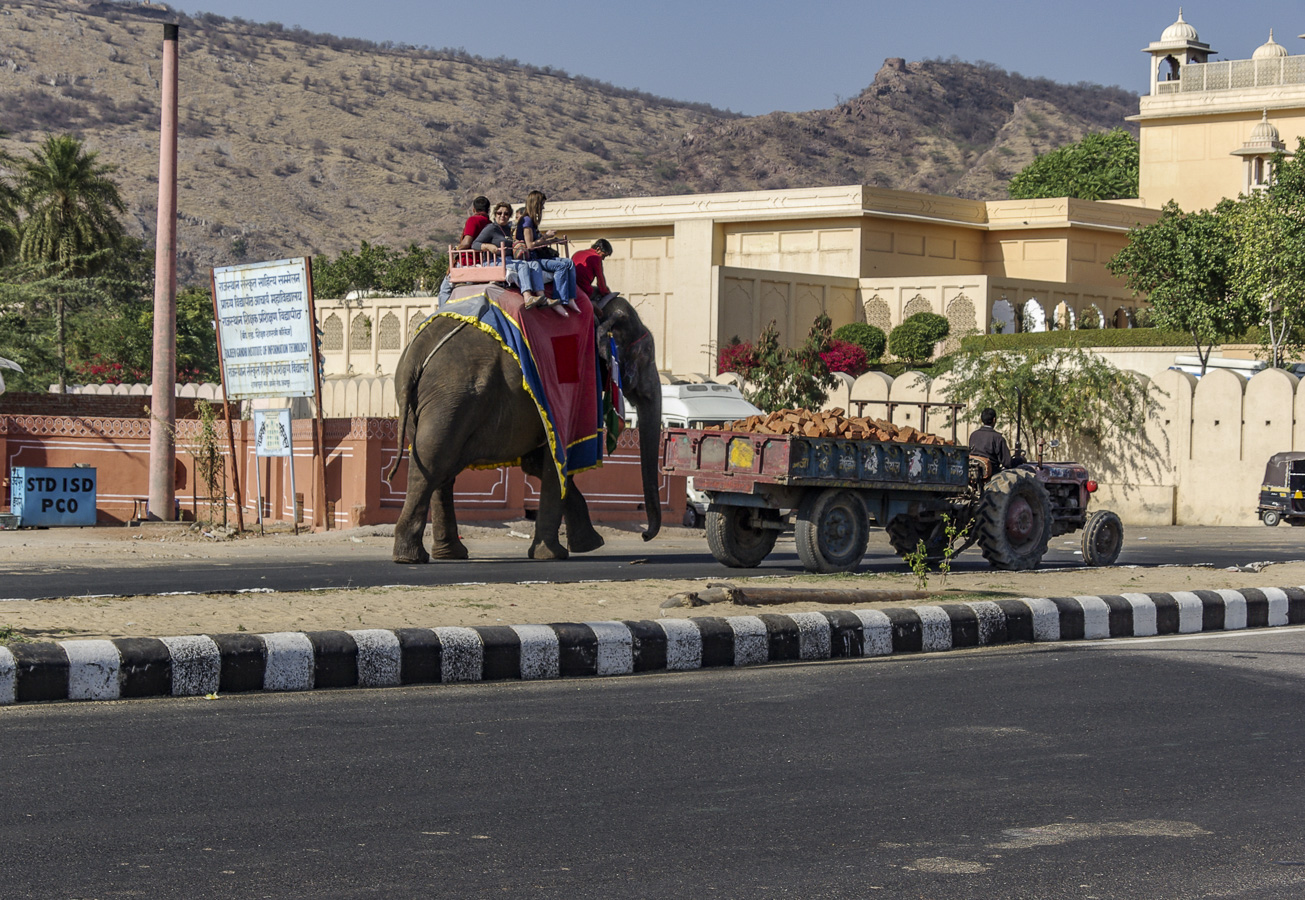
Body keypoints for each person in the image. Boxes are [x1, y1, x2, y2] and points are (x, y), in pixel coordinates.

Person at [514, 190, 577, 310]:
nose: (543, 207)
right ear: (536, 204)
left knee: (569, 263)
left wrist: (549, 241)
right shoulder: (526, 221)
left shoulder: (531, 221)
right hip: (532, 259)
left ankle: (571, 298)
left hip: (537, 256)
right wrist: (546, 236)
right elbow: (530, 245)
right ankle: (560, 299)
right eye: (541, 204)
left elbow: (537, 242)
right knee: (560, 266)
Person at [437, 196, 493, 306]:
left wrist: (457, 249)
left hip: (467, 263)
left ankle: (442, 311)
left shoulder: (473, 220)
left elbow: (467, 242)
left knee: (444, 290)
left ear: (473, 210)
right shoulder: (490, 224)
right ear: (488, 210)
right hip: (486, 263)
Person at [968, 407, 1012, 472]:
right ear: (994, 420)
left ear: (981, 420)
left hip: (973, 472)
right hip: (992, 474)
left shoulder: (973, 435)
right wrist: (1019, 460)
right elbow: (1007, 463)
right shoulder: (998, 438)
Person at [572, 239, 614, 305]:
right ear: (598, 249)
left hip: (571, 287)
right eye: (603, 256)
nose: (603, 259)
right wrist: (607, 292)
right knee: (601, 293)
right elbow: (600, 281)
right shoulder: (596, 258)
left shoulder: (577, 253)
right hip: (584, 290)